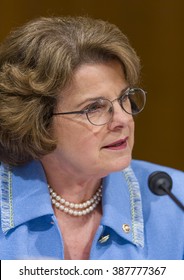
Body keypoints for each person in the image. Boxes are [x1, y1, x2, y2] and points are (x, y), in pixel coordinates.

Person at [0, 16, 183, 260]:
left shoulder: (175, 199)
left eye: (124, 98)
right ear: (37, 120)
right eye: (94, 107)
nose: (123, 119)